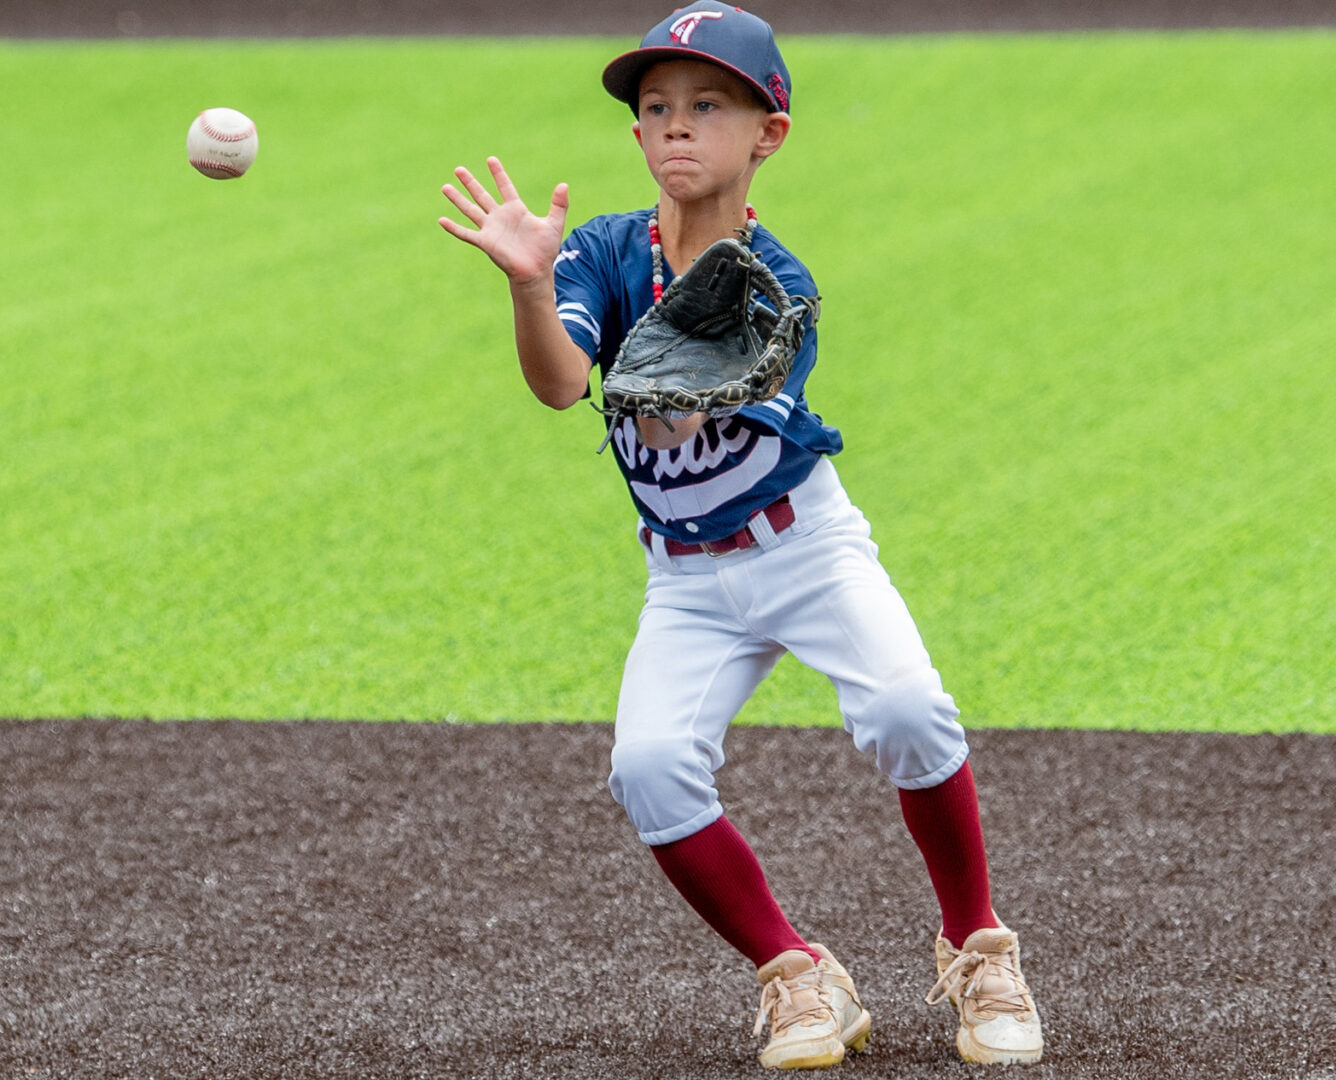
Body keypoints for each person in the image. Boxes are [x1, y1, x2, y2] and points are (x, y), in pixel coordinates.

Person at [435, 2, 1044, 1067]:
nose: (675, 125)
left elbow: (699, 387)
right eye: (656, 107)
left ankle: (978, 946)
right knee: (652, 767)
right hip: (685, 581)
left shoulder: (782, 284)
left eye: (707, 105)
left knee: (907, 707)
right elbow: (559, 383)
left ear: (767, 134)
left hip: (803, 547)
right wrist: (533, 287)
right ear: (635, 135)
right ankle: (797, 975)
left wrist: (628, 349)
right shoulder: (601, 253)